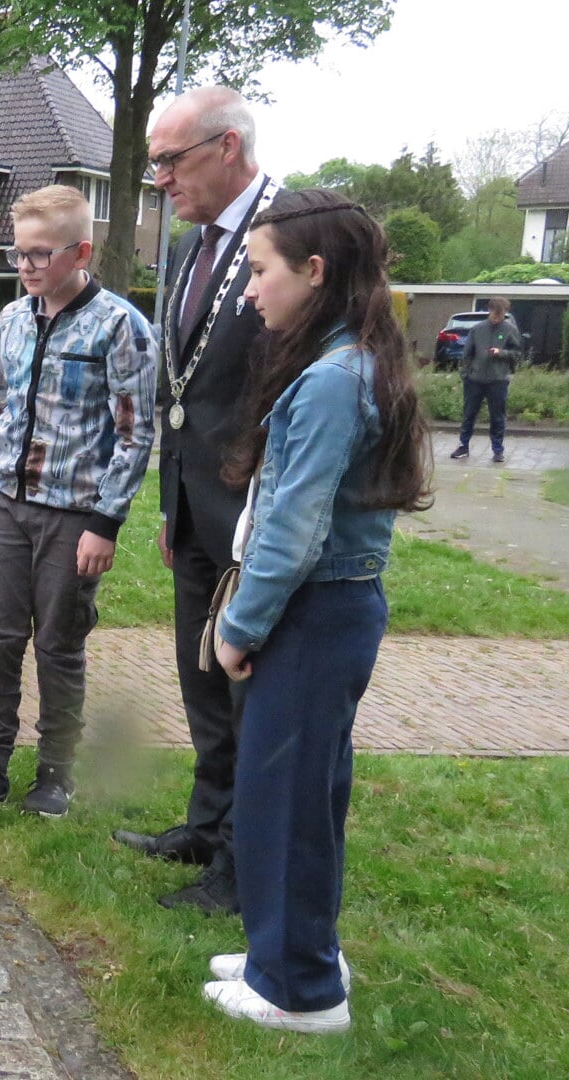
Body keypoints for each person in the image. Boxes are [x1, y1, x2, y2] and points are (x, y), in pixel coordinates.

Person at [202, 188, 432, 1032]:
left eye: (259, 272)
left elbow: (293, 532)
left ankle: (298, 992)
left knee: (286, 801)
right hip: (331, 609)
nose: (248, 292)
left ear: (313, 271)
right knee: (304, 795)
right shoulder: (349, 359)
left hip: (312, 611)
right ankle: (287, 949)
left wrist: (236, 628)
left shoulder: (333, 379)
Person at [0, 185, 159, 820]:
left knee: (59, 644)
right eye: (19, 254)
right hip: (6, 504)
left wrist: (106, 521)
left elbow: (136, 433)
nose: (27, 266)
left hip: (74, 517)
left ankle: (56, 774)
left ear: (80, 251)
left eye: (40, 254)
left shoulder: (121, 327)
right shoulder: (11, 320)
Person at [112, 87, 277, 913]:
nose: (160, 180)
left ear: (227, 148)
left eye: (169, 161)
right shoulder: (183, 246)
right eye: (152, 164)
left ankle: (243, 866)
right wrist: (172, 503)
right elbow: (180, 383)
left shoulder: (287, 233)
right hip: (191, 504)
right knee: (201, 680)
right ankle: (206, 828)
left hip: (252, 511)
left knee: (248, 689)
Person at [451, 297, 521, 463]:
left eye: (501, 315)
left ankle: (498, 450)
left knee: (497, 416)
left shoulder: (510, 330)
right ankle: (463, 446)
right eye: (495, 315)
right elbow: (467, 354)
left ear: (505, 313)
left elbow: (517, 354)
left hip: (498, 380)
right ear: (489, 311)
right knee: (469, 414)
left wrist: (501, 353)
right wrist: (466, 374)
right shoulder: (477, 329)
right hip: (475, 380)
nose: (497, 318)